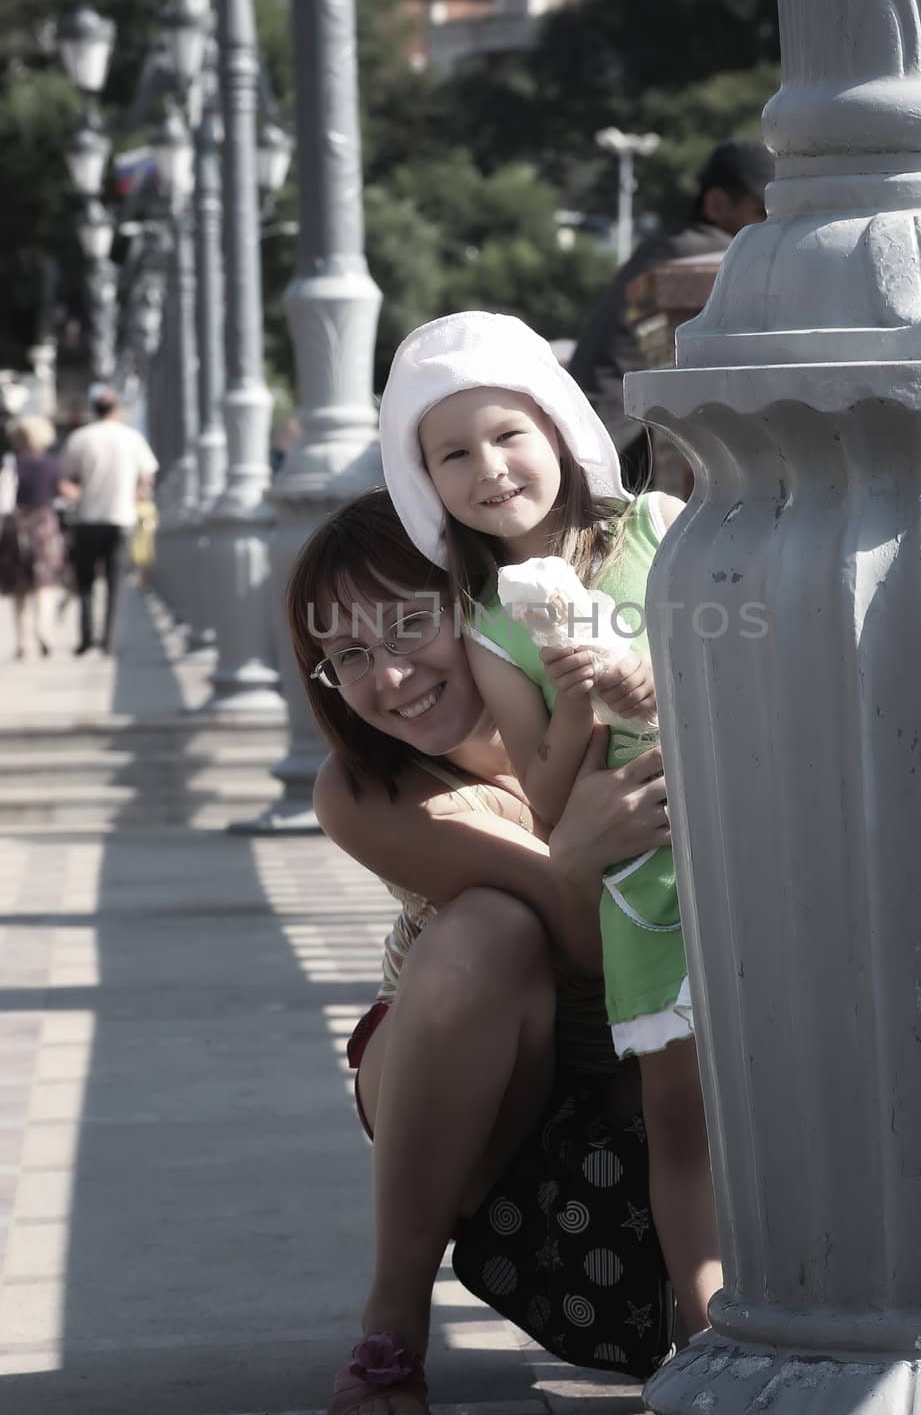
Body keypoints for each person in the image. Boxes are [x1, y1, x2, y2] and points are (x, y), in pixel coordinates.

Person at [286, 489, 681, 1415]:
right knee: (491, 929)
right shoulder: (367, 789)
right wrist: (578, 852)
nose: (387, 679)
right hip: (474, 1093)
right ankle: (392, 1319)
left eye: (407, 627)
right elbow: (582, 941)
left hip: (639, 1084)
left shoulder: (611, 706)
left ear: (480, 601)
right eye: (346, 656)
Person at [378, 312, 719, 1344]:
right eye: (451, 454)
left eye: (505, 435)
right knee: (683, 1123)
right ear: (424, 481)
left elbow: (742, 657)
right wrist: (576, 703)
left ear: (559, 431)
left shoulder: (664, 527)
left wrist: (656, 673)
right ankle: (710, 1332)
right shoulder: (487, 623)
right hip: (641, 889)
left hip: (743, 849)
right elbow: (541, 786)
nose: (487, 469)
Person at [568, 138, 773, 488]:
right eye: (761, 214)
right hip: (622, 449)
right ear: (717, 204)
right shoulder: (703, 256)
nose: (772, 229)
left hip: (603, 438)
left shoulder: (669, 247)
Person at [61, 388, 158, 655]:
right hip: (121, 517)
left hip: (87, 518)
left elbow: (66, 480)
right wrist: (137, 494)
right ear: (116, 409)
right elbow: (147, 476)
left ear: (94, 409)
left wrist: (80, 493)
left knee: (85, 581)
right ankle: (110, 641)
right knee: (116, 582)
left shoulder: (80, 438)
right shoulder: (132, 438)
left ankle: (86, 637)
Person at [0, 414, 65, 659]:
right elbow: (63, 491)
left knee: (19, 588)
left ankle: (22, 642)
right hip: (44, 524)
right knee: (43, 583)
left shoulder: (11, 463)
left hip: (16, 525)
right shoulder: (51, 463)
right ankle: (43, 629)